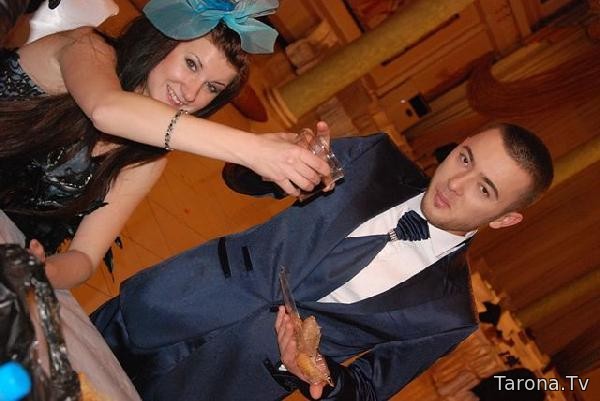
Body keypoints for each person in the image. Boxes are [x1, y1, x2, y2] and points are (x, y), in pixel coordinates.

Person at [91, 121, 554, 401]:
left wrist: (320, 375)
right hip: (169, 301)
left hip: (226, 384)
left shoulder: (449, 316)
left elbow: (367, 391)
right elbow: (239, 178)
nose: (456, 183)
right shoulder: (374, 159)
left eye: (484, 189)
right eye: (465, 158)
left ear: (505, 219)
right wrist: (278, 163)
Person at [0, 0, 330, 289]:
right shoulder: (87, 48)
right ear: (160, 40)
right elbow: (105, 109)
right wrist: (254, 149)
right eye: (191, 64)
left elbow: (85, 257)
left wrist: (44, 271)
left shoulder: (147, 159)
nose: (191, 94)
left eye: (212, 88)